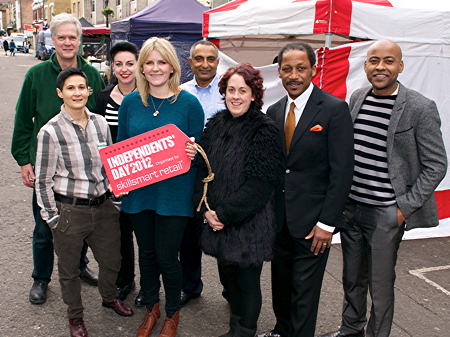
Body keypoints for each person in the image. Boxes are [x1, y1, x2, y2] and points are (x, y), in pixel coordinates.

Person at [320, 40, 447, 337]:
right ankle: (350, 329)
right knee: (352, 278)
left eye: (388, 61)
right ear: (365, 66)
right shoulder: (357, 97)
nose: (380, 67)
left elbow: (437, 165)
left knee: (380, 284)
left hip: (386, 214)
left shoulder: (419, 107)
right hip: (351, 209)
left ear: (400, 66)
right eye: (374, 61)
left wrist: (403, 208)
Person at [259, 42, 354, 337]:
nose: (294, 75)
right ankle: (281, 331)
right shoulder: (273, 111)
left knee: (304, 297)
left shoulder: (334, 109)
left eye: (301, 68)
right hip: (280, 223)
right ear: (279, 72)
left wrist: (327, 223)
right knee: (281, 291)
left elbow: (342, 172)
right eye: (287, 69)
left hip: (314, 226)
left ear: (314, 69)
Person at [11, 13, 104, 306]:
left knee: (83, 222)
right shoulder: (36, 75)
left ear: (79, 40)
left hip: (84, 168)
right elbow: (24, 121)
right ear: (53, 39)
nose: (67, 42)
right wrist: (25, 160)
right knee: (44, 225)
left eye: (72, 37)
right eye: (61, 37)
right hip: (47, 165)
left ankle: (79, 265)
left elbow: (100, 120)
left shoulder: (92, 75)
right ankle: (41, 278)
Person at [35, 68, 133, 337]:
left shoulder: (100, 123)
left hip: (103, 208)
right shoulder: (50, 132)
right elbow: (42, 180)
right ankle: (75, 316)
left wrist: (114, 199)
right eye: (70, 88)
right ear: (60, 93)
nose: (77, 92)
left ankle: (109, 296)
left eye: (82, 87)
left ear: (89, 91)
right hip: (69, 211)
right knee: (69, 271)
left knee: (113, 261)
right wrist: (52, 217)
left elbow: (110, 164)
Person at [117, 37, 204, 337]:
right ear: (142, 67)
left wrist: (195, 152)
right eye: (149, 62)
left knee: (168, 257)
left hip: (174, 195)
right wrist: (119, 181)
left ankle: (172, 315)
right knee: (148, 254)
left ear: (172, 67)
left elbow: (198, 149)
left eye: (161, 62)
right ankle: (151, 309)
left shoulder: (189, 103)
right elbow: (122, 148)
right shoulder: (130, 103)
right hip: (140, 195)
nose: (155, 68)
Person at [195, 63, 284, 337]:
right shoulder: (216, 123)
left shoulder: (264, 129)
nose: (235, 96)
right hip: (218, 219)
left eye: (242, 91)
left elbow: (260, 185)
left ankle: (245, 332)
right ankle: (235, 328)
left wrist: (223, 214)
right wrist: (207, 210)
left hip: (248, 224)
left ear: (254, 95)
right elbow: (203, 169)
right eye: (231, 90)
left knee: (246, 283)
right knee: (228, 280)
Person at [94, 41, 142, 305]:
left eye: (130, 63)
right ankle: (125, 280)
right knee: (120, 233)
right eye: (119, 64)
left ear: (138, 66)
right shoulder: (103, 98)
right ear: (112, 67)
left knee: (145, 235)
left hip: (143, 174)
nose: (124, 69)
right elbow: (99, 138)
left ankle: (149, 286)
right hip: (113, 178)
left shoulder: (147, 95)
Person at [179, 39, 226, 306]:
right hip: (189, 173)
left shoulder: (228, 91)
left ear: (217, 62)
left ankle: (230, 290)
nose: (205, 64)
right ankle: (191, 285)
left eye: (210, 59)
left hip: (222, 173)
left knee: (224, 233)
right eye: (199, 59)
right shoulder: (180, 92)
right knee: (189, 235)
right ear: (191, 62)